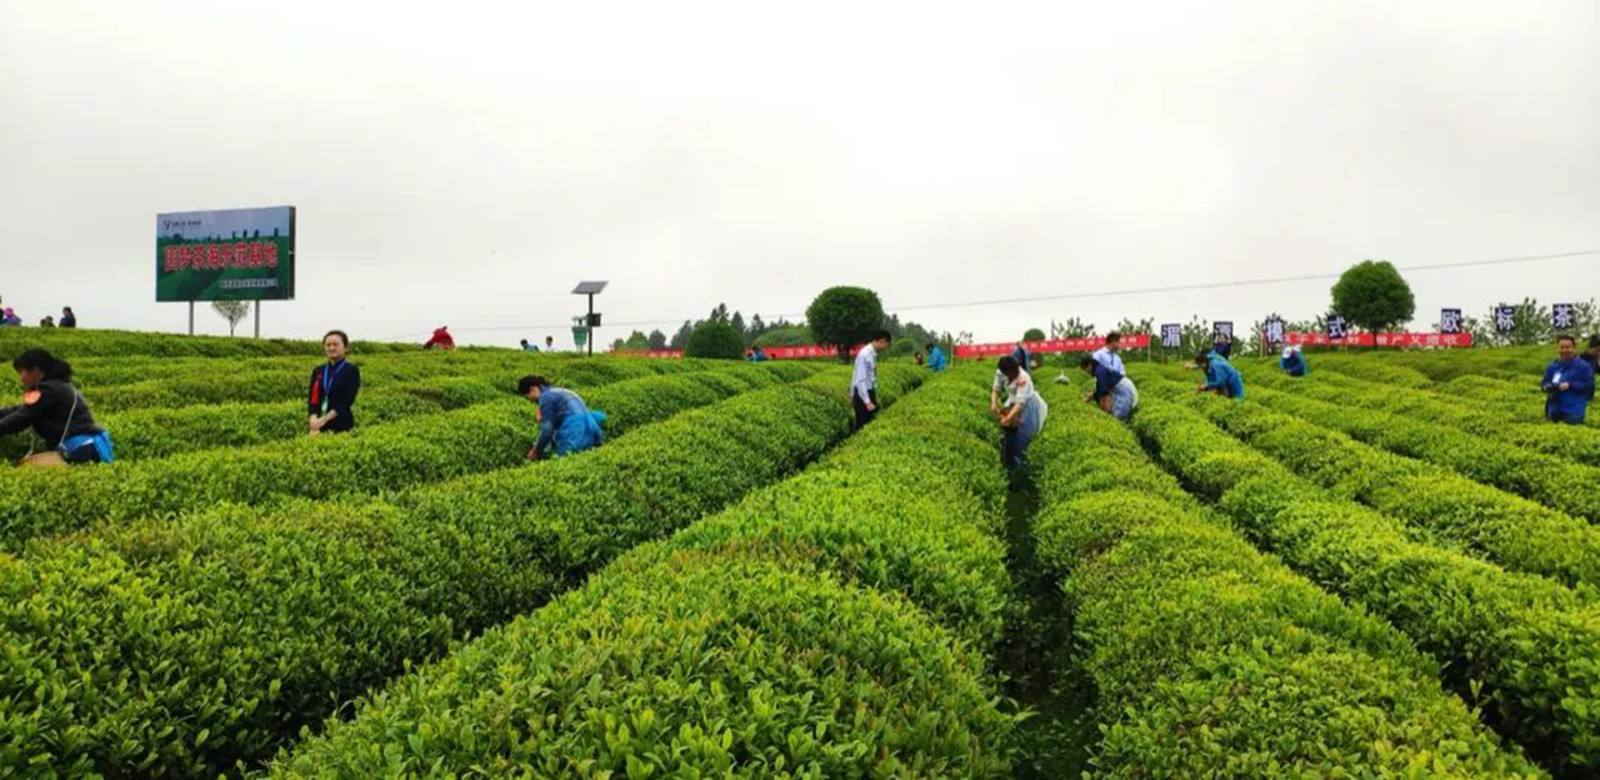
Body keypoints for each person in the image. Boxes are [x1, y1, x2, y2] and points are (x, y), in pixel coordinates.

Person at [0, 349, 113, 466]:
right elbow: (20, 410)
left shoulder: (48, 390)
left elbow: (22, 418)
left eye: (21, 372)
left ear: (35, 371)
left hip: (79, 450)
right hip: (87, 446)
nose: (21, 379)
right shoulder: (58, 385)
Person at [519, 374, 607, 459]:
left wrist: (536, 451)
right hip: (591, 426)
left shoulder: (545, 398)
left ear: (532, 389)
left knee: (569, 461)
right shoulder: (556, 391)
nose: (530, 401)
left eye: (528, 397)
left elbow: (547, 430)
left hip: (575, 431)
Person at [993, 355, 1048, 469]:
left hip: (1027, 404)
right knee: (1008, 436)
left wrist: (1007, 419)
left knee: (1023, 437)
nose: (1014, 374)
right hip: (1012, 402)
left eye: (1015, 370)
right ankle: (1008, 466)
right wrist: (993, 403)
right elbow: (996, 390)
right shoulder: (1000, 373)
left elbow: (1020, 403)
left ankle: (1022, 468)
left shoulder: (1023, 377)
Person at [308, 330, 361, 436]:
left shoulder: (351, 370)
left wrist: (324, 419)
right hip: (318, 424)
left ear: (345, 347)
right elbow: (313, 398)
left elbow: (347, 400)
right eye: (328, 345)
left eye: (335, 344)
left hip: (341, 424)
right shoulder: (318, 370)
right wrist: (313, 419)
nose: (331, 348)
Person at [1542, 335, 1595, 425]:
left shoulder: (1584, 366)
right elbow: (1544, 384)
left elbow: (1589, 386)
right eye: (1562, 347)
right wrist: (1549, 387)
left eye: (1568, 347)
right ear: (1557, 349)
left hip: (1573, 411)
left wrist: (1570, 385)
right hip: (1553, 409)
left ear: (1574, 348)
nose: (1565, 350)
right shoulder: (1552, 366)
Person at [1079, 354, 1139, 421]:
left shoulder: (1100, 372)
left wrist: (1104, 415)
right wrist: (1093, 396)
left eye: (1085, 369)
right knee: (1116, 416)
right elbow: (1101, 390)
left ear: (1089, 366)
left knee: (1117, 419)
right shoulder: (1099, 369)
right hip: (1121, 390)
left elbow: (1104, 393)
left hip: (1125, 390)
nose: (1086, 372)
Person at [851, 330, 891, 430]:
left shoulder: (872, 354)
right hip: (863, 396)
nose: (885, 348)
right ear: (882, 341)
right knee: (863, 427)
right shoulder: (864, 354)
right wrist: (867, 402)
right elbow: (860, 380)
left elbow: (855, 373)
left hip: (868, 392)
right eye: (886, 345)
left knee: (870, 425)